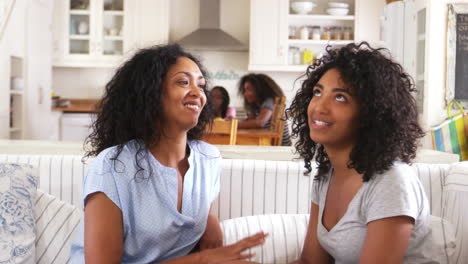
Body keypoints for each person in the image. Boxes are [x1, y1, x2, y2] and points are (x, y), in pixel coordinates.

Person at [69, 44, 267, 263]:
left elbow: (196, 210)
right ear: (150, 93)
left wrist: (209, 220)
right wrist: (203, 260)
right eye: (183, 82)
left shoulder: (208, 159)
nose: (197, 93)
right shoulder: (113, 165)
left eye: (201, 85)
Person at [288, 42, 433, 263]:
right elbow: (310, 262)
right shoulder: (327, 175)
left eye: (340, 97)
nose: (319, 107)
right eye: (318, 92)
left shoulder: (391, 182)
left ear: (371, 113)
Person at [237, 73, 291, 146]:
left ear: (260, 90)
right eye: (244, 90)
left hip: (280, 146)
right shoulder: (257, 106)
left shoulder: (269, 101)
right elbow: (250, 121)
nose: (245, 94)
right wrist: (234, 121)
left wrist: (233, 125)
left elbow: (260, 122)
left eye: (249, 90)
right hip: (268, 143)